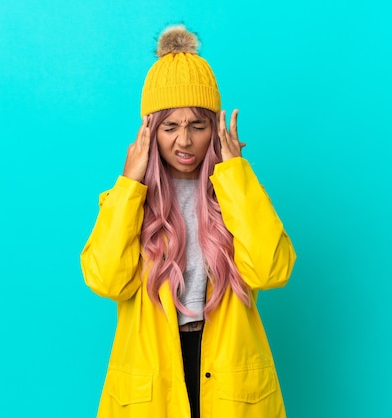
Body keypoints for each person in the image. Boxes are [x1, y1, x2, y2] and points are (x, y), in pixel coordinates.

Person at [80, 24, 296, 418]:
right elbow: (106, 279)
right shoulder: (130, 203)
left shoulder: (235, 193)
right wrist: (129, 184)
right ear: (149, 131)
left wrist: (235, 174)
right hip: (154, 379)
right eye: (170, 127)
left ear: (214, 128)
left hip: (229, 376)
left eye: (197, 126)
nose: (184, 141)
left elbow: (271, 270)